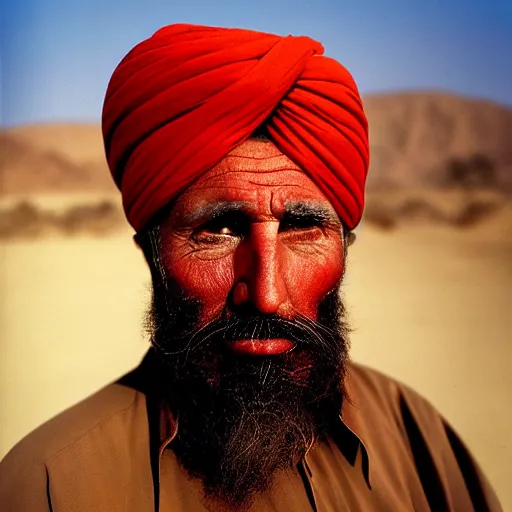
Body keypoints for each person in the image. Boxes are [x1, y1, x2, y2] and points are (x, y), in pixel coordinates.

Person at [0, 23, 502, 512]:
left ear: (345, 247)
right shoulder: (53, 486)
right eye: (219, 230)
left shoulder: (412, 438)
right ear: (152, 254)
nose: (266, 295)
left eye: (303, 228)